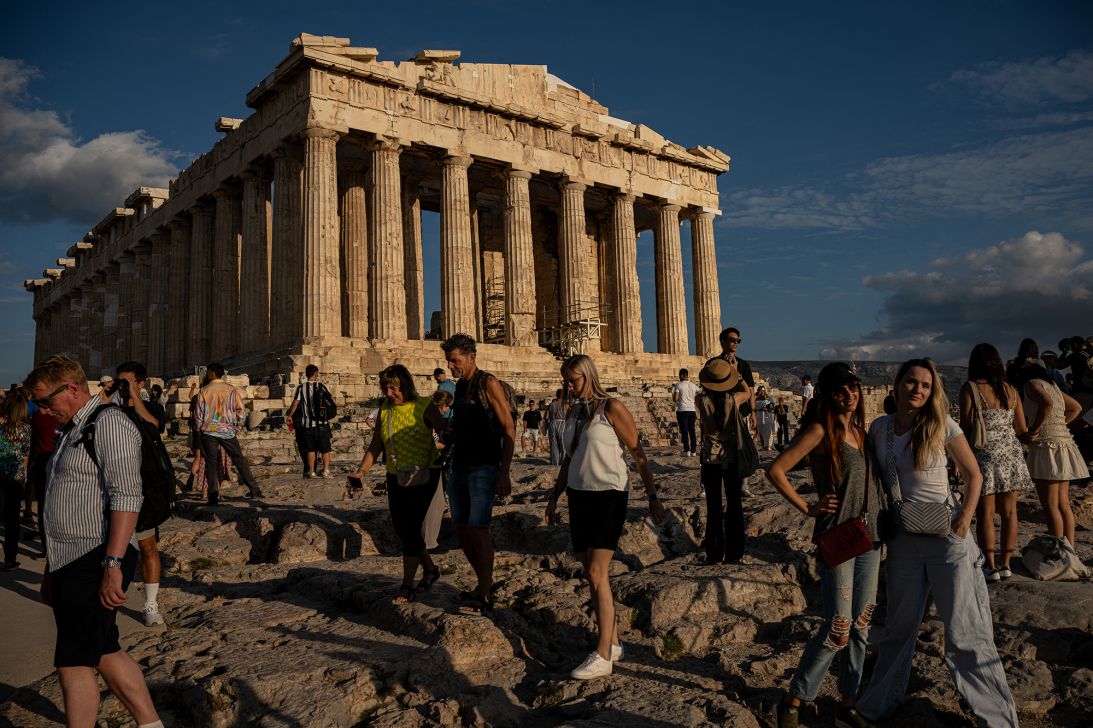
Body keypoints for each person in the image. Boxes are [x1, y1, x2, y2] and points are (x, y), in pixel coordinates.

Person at [855, 358, 1017, 727]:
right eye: (911, 382)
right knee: (899, 627)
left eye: (926, 386)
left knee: (965, 632)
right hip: (904, 542)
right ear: (896, 385)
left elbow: (975, 475)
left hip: (946, 539)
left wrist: (964, 521)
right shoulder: (879, 428)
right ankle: (878, 704)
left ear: (933, 392)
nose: (918, 390)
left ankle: (998, 721)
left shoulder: (943, 424)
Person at [23, 356, 163, 728]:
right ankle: (151, 724)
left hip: (97, 555)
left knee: (72, 660)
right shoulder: (72, 429)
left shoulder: (110, 423)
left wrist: (113, 565)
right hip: (71, 559)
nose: (41, 409)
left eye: (44, 400)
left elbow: (127, 496)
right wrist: (52, 569)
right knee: (103, 648)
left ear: (71, 388)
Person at [767, 363, 882, 728]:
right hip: (838, 536)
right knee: (838, 626)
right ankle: (793, 700)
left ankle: (848, 701)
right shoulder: (820, 431)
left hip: (872, 538)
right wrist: (807, 506)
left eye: (854, 388)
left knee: (862, 625)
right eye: (841, 390)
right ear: (828, 395)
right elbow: (776, 470)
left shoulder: (862, 433)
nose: (850, 395)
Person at [545, 355, 665, 679]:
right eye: (566, 381)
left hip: (609, 496)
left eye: (574, 380)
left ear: (589, 376)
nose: (569, 386)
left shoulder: (611, 408)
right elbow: (569, 459)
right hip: (578, 496)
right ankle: (613, 642)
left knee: (598, 573)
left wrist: (653, 497)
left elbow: (639, 454)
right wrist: (554, 497)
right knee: (591, 575)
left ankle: (602, 656)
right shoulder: (573, 413)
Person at [350, 365, 445, 603]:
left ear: (405, 386)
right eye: (385, 389)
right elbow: (376, 444)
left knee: (411, 527)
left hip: (425, 473)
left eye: (393, 388)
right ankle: (431, 570)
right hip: (396, 475)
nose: (389, 393)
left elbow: (446, 433)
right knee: (403, 529)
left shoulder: (425, 405)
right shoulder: (385, 409)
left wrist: (443, 451)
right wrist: (362, 471)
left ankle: (406, 585)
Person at [442, 333, 515, 615]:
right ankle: (484, 581)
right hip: (460, 464)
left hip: (484, 465)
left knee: (479, 528)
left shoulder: (488, 382)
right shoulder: (460, 388)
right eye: (449, 362)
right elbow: (457, 428)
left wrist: (504, 471)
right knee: (460, 529)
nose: (451, 366)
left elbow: (508, 427)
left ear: (472, 357)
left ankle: (484, 592)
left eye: (456, 361)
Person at [959, 344, 1033, 581]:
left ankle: (990, 565)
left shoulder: (971, 388)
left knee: (985, 514)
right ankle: (1006, 563)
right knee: (1010, 513)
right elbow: (1021, 428)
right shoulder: (1011, 390)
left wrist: (958, 461)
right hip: (1011, 454)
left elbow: (966, 427)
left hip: (985, 456)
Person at [112, 361, 169, 626]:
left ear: (141, 383)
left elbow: (154, 424)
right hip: (112, 490)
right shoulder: (109, 410)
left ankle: (150, 603)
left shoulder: (153, 407)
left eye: (128, 382)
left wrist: (135, 398)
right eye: (119, 382)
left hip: (142, 490)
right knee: (111, 550)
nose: (122, 387)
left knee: (148, 547)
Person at [1016, 364, 1088, 548]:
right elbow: (1076, 408)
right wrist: (1058, 424)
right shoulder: (1054, 386)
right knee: (1063, 504)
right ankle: (1069, 550)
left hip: (1046, 446)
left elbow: (1046, 404)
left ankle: (1059, 552)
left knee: (1050, 506)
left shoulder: (1031, 384)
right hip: (1065, 443)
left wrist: (1033, 431)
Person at [695, 358, 754, 564]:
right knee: (734, 505)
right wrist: (738, 376)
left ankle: (713, 553)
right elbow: (748, 392)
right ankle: (734, 554)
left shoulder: (700, 400)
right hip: (731, 457)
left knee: (713, 507)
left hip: (710, 458)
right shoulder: (734, 399)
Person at [193, 362, 262, 506]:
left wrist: (199, 427)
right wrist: (238, 425)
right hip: (227, 431)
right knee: (239, 460)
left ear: (211, 373)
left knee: (211, 464)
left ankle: (213, 496)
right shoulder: (231, 390)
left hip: (209, 431)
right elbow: (241, 410)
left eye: (207, 372)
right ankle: (254, 489)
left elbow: (198, 414)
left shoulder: (204, 390)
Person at [286, 364, 335, 479]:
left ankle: (312, 472)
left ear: (306, 374)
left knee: (311, 449)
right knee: (325, 449)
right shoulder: (321, 386)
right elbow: (330, 400)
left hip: (307, 424)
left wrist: (290, 416)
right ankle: (326, 470)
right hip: (322, 424)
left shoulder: (301, 388)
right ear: (315, 374)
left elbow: (295, 403)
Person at [1, 389, 31, 570]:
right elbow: (26, 455)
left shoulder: (0, 428)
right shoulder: (26, 429)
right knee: (12, 520)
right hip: (16, 479)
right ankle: (10, 559)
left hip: (1, 476)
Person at [707, 326, 757, 431]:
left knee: (741, 446)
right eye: (732, 340)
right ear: (722, 342)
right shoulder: (713, 364)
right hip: (720, 413)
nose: (736, 343)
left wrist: (753, 412)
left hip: (741, 412)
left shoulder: (743, 364)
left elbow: (751, 390)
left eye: (738, 340)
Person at [672, 368, 700, 457]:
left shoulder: (678, 385)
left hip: (682, 410)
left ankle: (686, 450)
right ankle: (693, 451)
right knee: (692, 430)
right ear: (687, 376)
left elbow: (675, 399)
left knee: (684, 431)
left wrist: (676, 396)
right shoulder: (693, 385)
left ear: (681, 375)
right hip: (692, 410)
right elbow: (700, 391)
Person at [546, 389, 568, 465]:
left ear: (556, 395)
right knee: (563, 443)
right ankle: (564, 462)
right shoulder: (565, 404)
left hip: (552, 423)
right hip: (562, 423)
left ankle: (555, 462)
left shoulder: (551, 404)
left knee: (554, 444)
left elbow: (546, 417)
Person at [754, 386, 777, 451]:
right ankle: (764, 446)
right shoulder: (756, 399)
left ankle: (769, 446)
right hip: (759, 417)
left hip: (767, 417)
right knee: (760, 432)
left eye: (761, 391)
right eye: (759, 391)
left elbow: (772, 407)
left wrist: (767, 408)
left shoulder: (769, 399)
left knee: (769, 431)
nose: (760, 392)